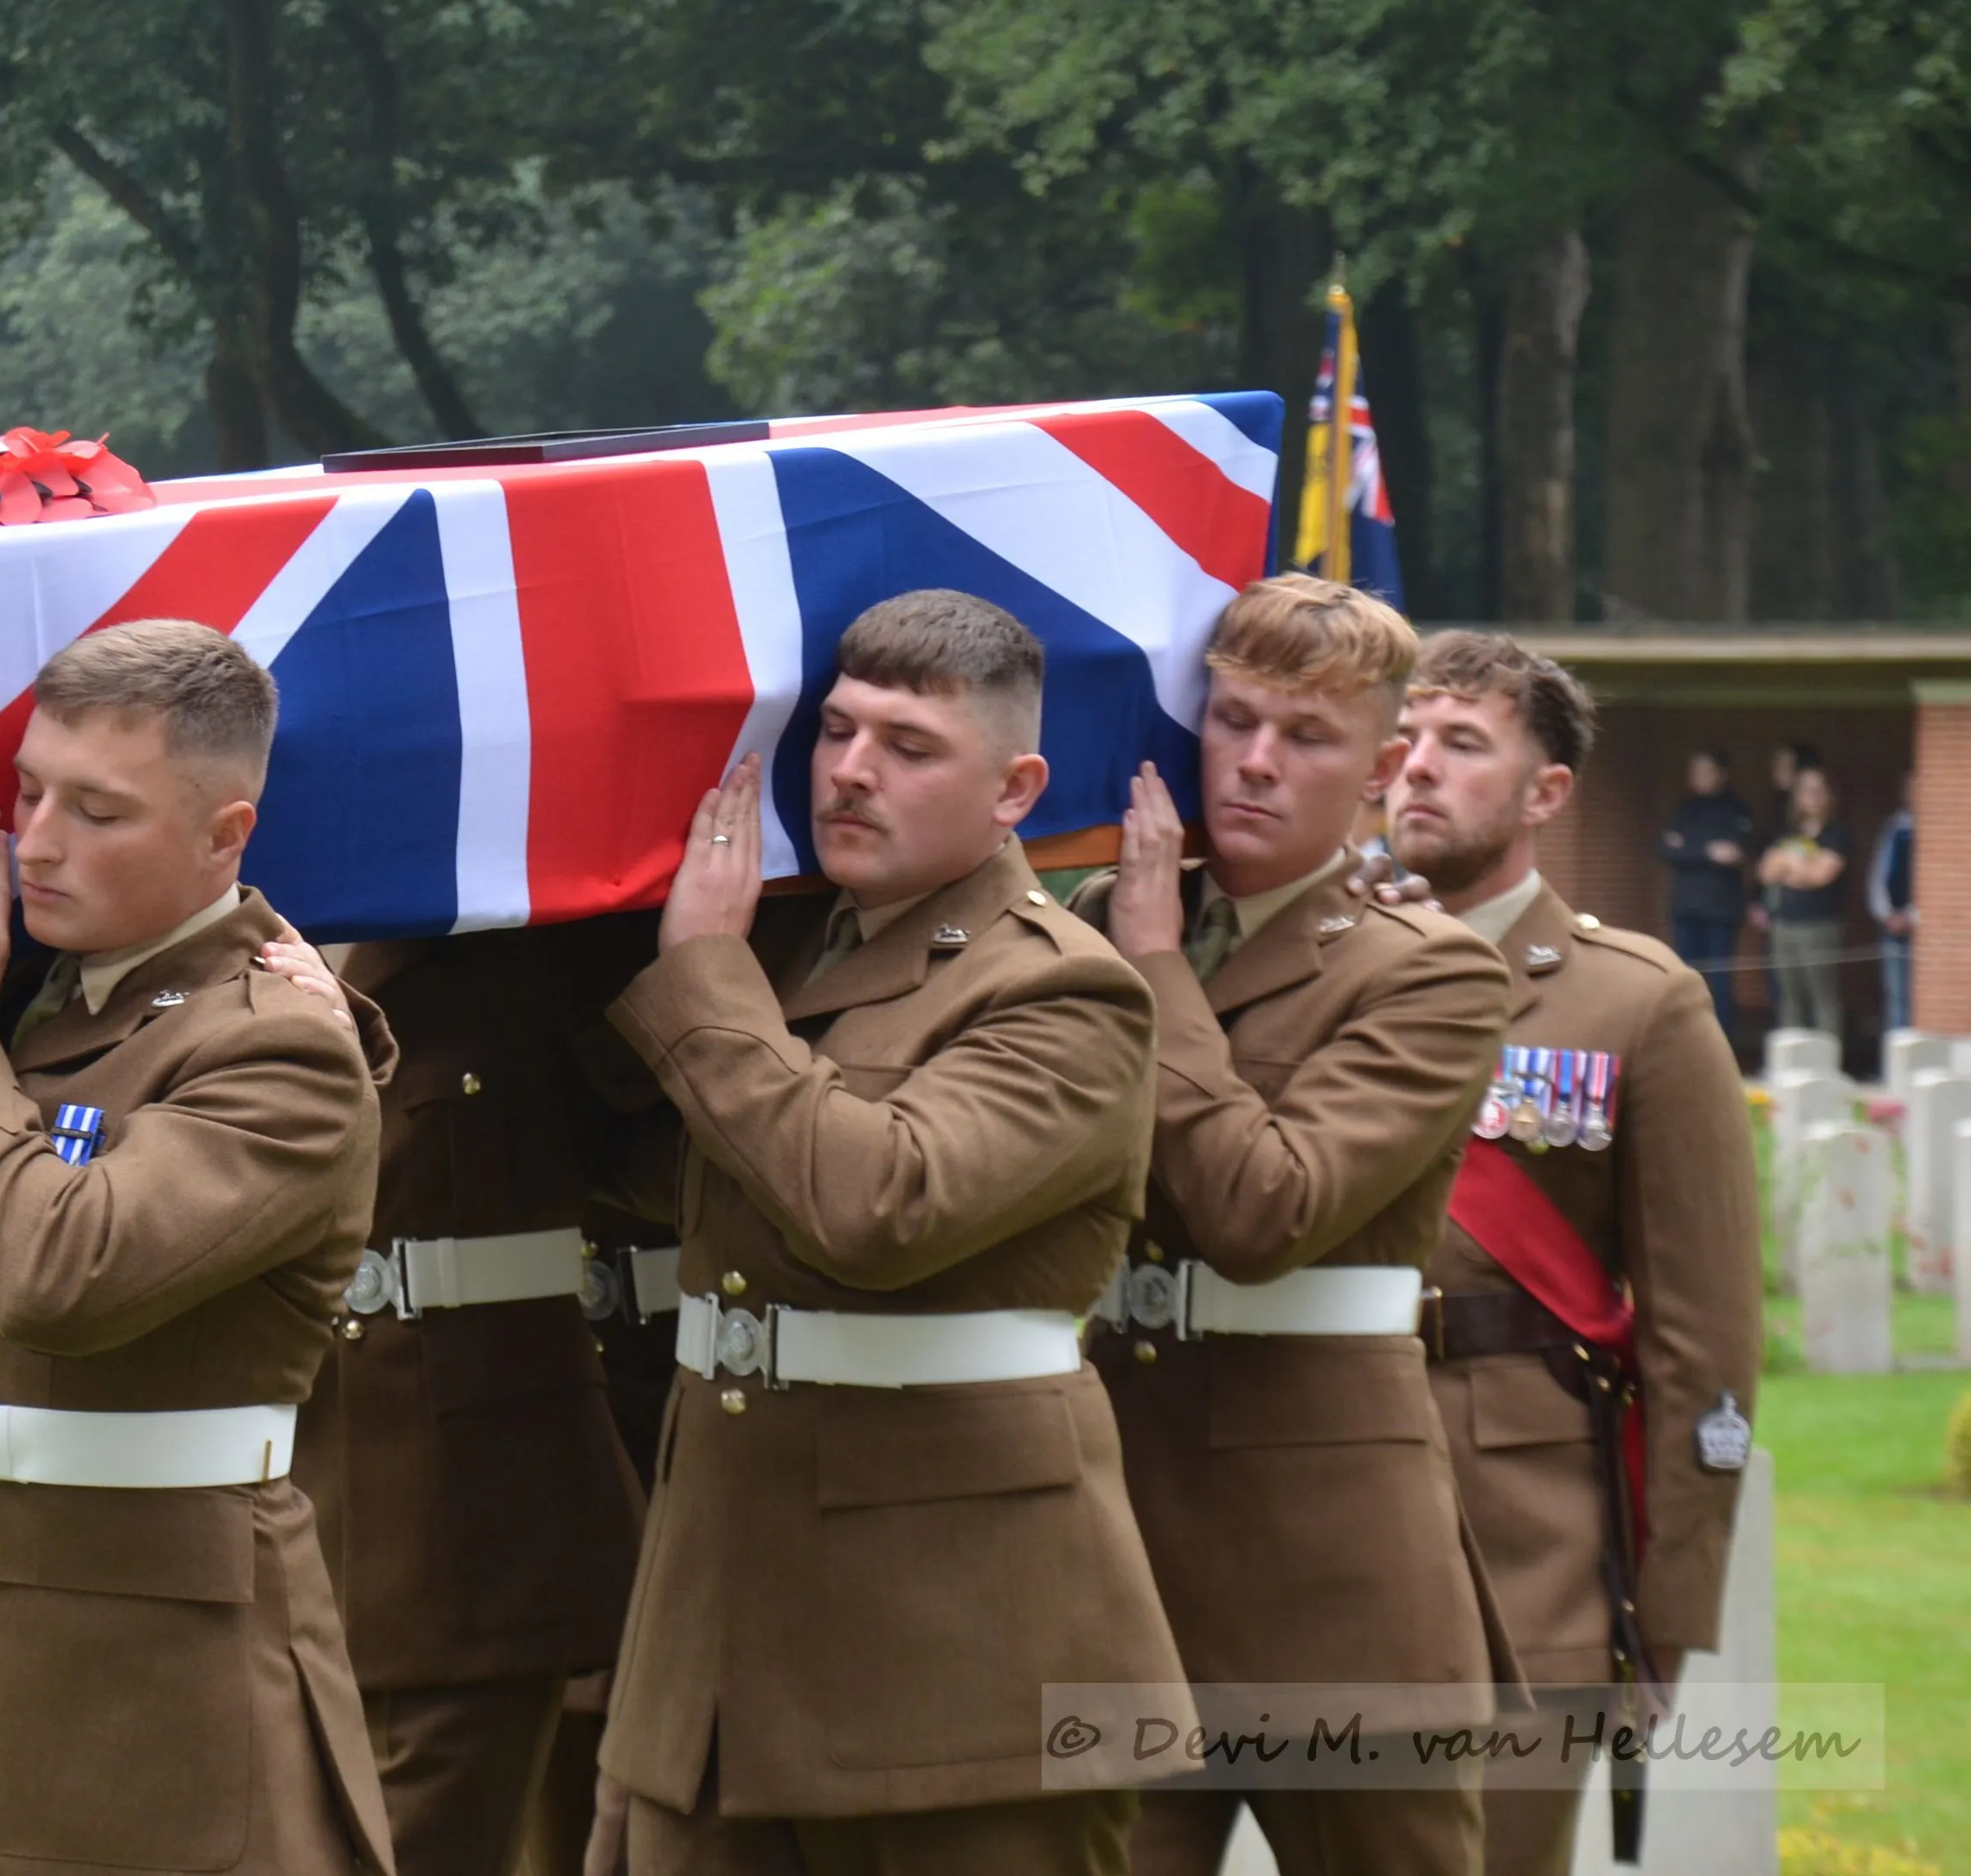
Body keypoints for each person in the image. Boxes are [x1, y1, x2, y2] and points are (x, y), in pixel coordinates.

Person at [589, 588, 1195, 1874]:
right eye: (839, 732)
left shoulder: (1064, 990)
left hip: (957, 1652)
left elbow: (876, 1208)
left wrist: (702, 975)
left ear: (1015, 786)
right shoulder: (792, 950)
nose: (853, 771)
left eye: (910, 748)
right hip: (717, 1630)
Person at [0, 618, 397, 1876]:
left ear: (225, 835)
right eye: (27, 790)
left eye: (98, 811)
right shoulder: (52, 993)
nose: (34, 842)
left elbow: (56, 1271)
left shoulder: (275, 1044)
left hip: (153, 1682)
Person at [1074, 572, 1512, 1876]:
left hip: (1329, 1562)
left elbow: (1268, 1210)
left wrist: (1155, 968)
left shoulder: (1428, 970)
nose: (1256, 763)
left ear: (1380, 769)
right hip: (1117, 1540)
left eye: (1307, 738)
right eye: (1235, 721)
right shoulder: (1092, 929)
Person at [1390, 633, 1765, 1876]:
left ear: (1546, 792)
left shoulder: (1635, 1003)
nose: (1416, 768)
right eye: (1403, 738)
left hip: (1526, 1546)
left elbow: (1702, 1337)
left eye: (1461, 744)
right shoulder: (1307, 970)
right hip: (1300, 1511)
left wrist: (1666, 1615)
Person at [295, 922, 655, 1876]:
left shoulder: (535, 935)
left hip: (483, 1513)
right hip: (302, 1491)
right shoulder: (251, 937)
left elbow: (667, 1165)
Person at [1656, 749, 1756, 1045]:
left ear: (1721, 774)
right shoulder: (1683, 809)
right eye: (1694, 770)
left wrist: (1689, 849)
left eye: (1705, 770)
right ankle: (1687, 1043)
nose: (1698, 777)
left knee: (1720, 982)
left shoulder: (1737, 810)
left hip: (1721, 910)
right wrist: (1708, 852)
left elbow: (1737, 852)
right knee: (1685, 980)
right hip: (1685, 909)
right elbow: (1665, 850)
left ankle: (1722, 1046)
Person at [1758, 766, 1851, 1039]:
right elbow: (1766, 873)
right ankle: (1794, 1062)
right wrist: (1796, 866)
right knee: (1789, 995)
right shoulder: (1787, 832)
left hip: (1818, 925)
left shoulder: (1838, 833)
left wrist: (1787, 867)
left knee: (1822, 994)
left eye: (1819, 789)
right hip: (1784, 923)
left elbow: (1820, 876)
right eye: (1806, 790)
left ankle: (1828, 1064)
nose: (1813, 796)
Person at [1869, 773, 1916, 1037]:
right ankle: (1895, 1060)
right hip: (1891, 926)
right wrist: (1886, 914)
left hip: (1922, 929)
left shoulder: (1942, 830)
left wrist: (1913, 916)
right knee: (1895, 995)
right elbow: (1878, 874)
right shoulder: (1894, 828)